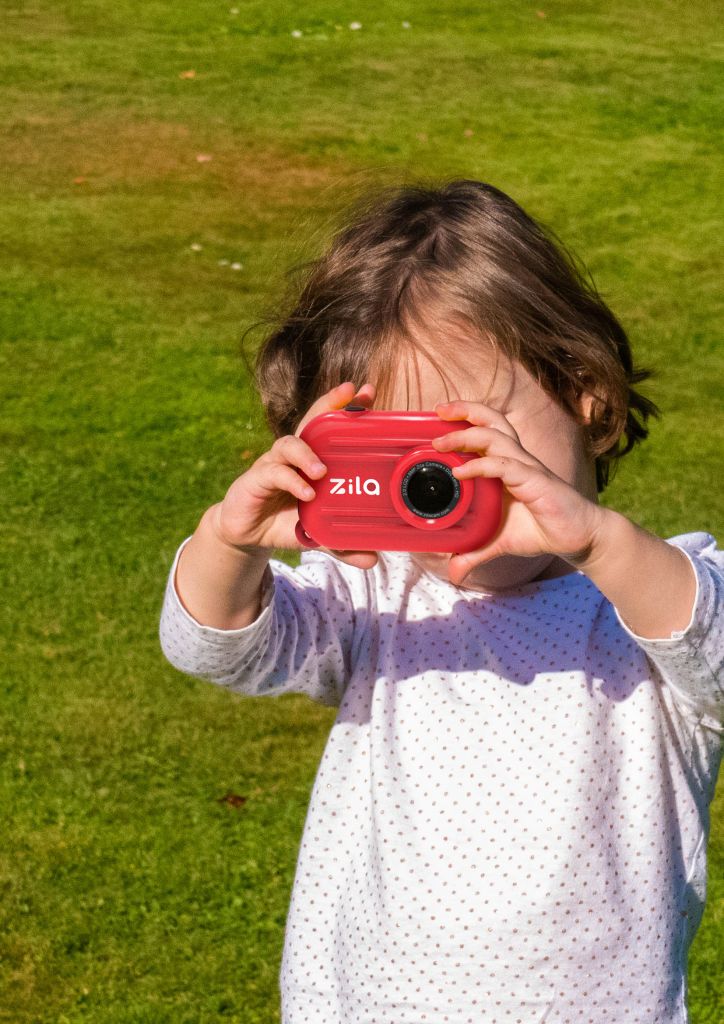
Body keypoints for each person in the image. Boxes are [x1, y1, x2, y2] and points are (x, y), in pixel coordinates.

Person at [158, 180, 723, 1023]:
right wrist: (227, 540)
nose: (452, 484)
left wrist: (600, 542)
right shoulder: (377, 591)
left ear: (585, 396)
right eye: (409, 462)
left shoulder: (649, 604)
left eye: (476, 435)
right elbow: (214, 644)